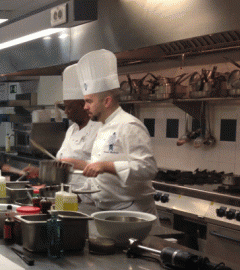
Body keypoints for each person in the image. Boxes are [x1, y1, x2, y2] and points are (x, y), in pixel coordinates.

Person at [72, 49, 158, 214]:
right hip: (107, 211)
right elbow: (101, 178)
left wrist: (106, 166)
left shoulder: (129, 126)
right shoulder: (103, 127)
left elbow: (148, 168)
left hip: (132, 212)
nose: (85, 107)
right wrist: (79, 196)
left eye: (89, 101)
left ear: (107, 101)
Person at [23, 64, 101, 194]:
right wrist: (40, 171)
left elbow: (100, 167)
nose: (66, 112)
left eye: (69, 107)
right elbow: (60, 165)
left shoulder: (99, 129)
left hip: (86, 196)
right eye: (65, 107)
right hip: (65, 194)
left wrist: (73, 163)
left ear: (83, 105)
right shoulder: (72, 129)